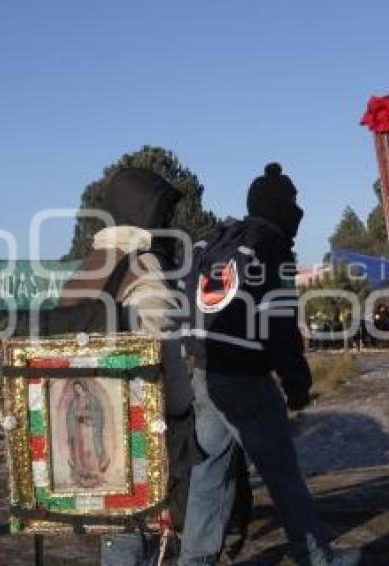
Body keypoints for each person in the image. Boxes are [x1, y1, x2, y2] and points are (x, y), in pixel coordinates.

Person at [179, 163, 360, 566]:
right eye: (292, 201)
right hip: (246, 379)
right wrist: (296, 380)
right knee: (283, 475)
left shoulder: (216, 240)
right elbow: (279, 322)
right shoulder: (271, 246)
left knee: (208, 477)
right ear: (277, 206)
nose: (298, 211)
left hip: (205, 374)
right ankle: (316, 558)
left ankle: (193, 560)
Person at [59, 167, 201, 564]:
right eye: (163, 214)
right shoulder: (143, 265)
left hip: (82, 423)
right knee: (135, 532)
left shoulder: (86, 268)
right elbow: (159, 353)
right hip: (138, 424)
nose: (168, 224)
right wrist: (179, 414)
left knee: (116, 527)